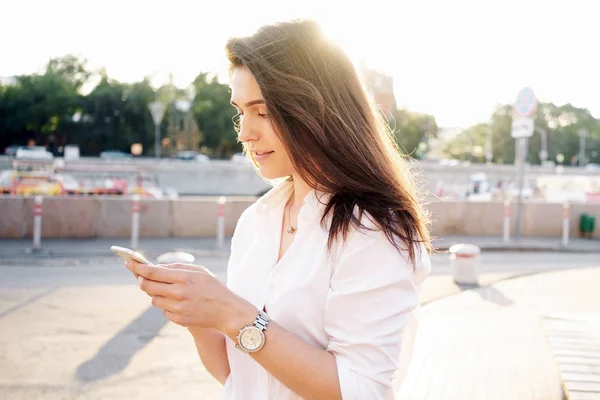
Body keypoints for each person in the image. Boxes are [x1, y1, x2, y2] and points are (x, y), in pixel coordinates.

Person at [127, 19, 432, 399]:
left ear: (316, 109)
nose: (244, 132)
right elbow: (236, 376)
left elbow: (361, 389)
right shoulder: (257, 220)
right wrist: (198, 312)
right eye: (241, 111)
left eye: (263, 111)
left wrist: (230, 313)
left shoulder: (372, 229)